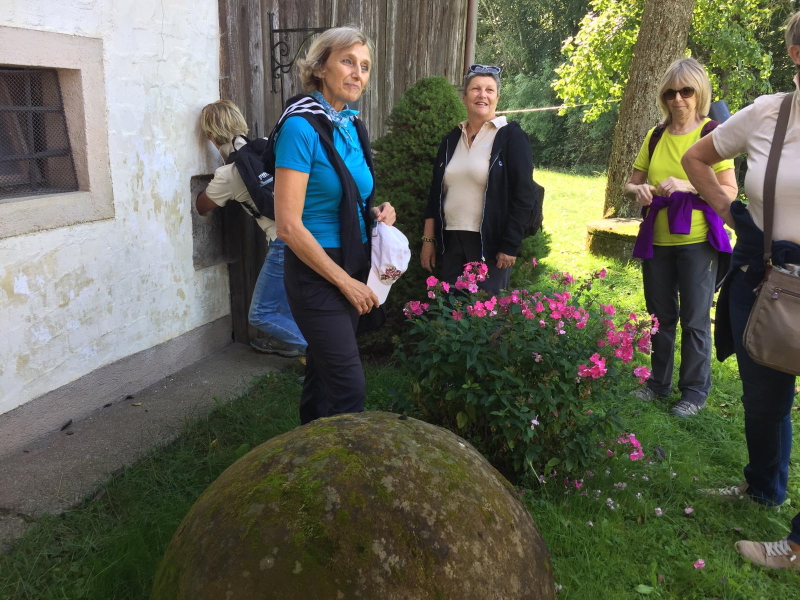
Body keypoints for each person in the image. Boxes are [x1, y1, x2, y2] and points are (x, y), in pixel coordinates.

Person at [682, 11, 800, 571]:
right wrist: (731, 213)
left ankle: (797, 545)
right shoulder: (768, 112)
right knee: (763, 395)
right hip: (764, 273)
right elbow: (697, 158)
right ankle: (762, 487)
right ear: (796, 54)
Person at [266, 27, 395, 425]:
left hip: (354, 261)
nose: (358, 73)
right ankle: (345, 471)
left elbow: (350, 193)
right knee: (349, 386)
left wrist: (377, 212)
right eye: (347, 61)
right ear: (320, 67)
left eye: (365, 66)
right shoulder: (301, 128)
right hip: (317, 272)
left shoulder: (352, 127)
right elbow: (287, 225)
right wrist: (344, 281)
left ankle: (307, 458)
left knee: (323, 375)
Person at [624, 58, 737, 418]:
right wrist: (638, 190)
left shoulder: (712, 133)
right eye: (671, 92)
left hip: (698, 241)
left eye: (686, 91)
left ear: (699, 93)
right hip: (657, 240)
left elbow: (730, 191)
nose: (678, 99)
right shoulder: (655, 136)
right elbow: (630, 183)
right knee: (659, 316)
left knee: (695, 318)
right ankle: (657, 384)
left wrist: (689, 184)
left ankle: (693, 392)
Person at [196, 100, 307, 358]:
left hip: (284, 242)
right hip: (309, 232)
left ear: (211, 137)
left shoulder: (228, 174)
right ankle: (296, 346)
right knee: (291, 303)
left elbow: (202, 206)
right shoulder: (268, 146)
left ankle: (323, 355)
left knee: (260, 313)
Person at [421, 64, 537, 294]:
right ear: (464, 97)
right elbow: (436, 192)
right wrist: (428, 240)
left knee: (484, 319)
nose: (482, 95)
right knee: (453, 313)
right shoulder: (451, 139)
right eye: (475, 89)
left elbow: (525, 195)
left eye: (489, 90)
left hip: (491, 244)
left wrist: (510, 245)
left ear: (497, 98)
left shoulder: (511, 137)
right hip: (452, 240)